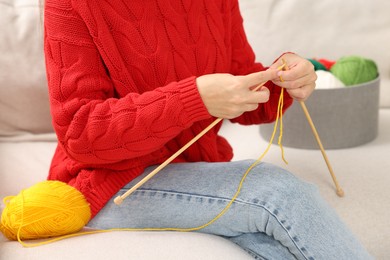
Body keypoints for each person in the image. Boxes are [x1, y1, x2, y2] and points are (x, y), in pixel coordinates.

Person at [43, 0, 371, 259]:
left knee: (279, 246)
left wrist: (283, 79)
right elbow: (80, 132)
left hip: (195, 170)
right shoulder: (73, 3)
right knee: (276, 192)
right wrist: (193, 99)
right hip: (109, 183)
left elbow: (239, 83)